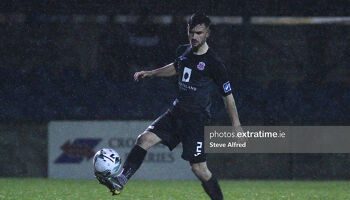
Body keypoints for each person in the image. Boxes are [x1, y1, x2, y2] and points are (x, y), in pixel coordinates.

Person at [96, 12, 242, 200]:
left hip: (195, 120)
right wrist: (151, 73)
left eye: (199, 33)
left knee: (199, 169)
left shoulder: (214, 63)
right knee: (144, 139)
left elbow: (228, 97)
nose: (194, 37)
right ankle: (121, 180)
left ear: (208, 33)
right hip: (176, 112)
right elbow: (176, 67)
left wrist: (236, 126)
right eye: (191, 32)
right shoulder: (183, 51)